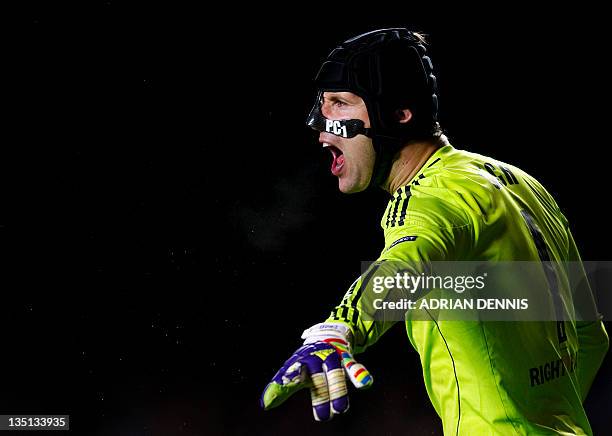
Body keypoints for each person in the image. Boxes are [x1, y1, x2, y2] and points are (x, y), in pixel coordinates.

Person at [260, 28, 609, 435]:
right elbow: (592, 334)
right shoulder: (522, 183)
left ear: (398, 114)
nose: (321, 126)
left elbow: (401, 266)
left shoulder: (428, 200)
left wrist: (338, 330)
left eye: (339, 103)